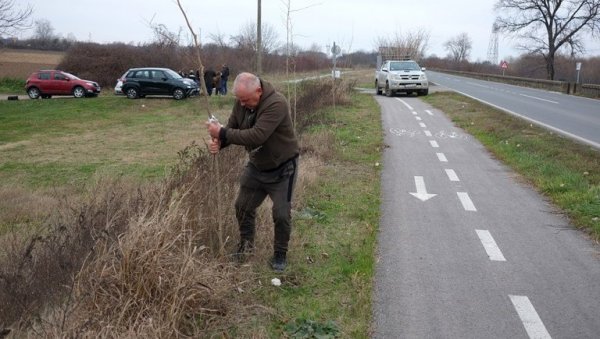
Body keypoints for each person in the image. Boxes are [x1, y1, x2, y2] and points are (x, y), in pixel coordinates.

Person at [206, 72, 299, 272]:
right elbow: (232, 129)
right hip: (257, 166)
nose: (242, 104)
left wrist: (221, 132)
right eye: (239, 100)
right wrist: (219, 143)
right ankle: (246, 246)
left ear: (259, 91)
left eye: (246, 100)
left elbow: (257, 136)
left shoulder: (277, 103)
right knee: (242, 206)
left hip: (283, 169)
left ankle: (280, 255)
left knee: (281, 214)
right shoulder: (241, 103)